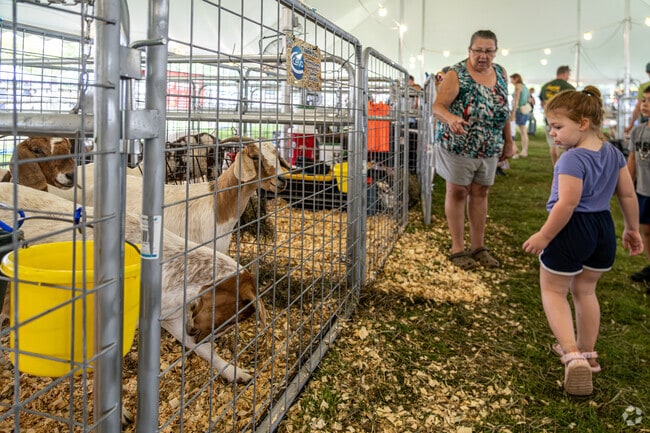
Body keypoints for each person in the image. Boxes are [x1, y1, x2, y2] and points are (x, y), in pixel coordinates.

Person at [522, 86, 643, 396]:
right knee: (586, 290)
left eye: (558, 126)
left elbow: (567, 203)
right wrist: (632, 228)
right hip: (603, 228)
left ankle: (571, 355)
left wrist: (544, 234)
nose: (552, 133)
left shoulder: (572, 159)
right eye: (550, 126)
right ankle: (587, 354)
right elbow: (627, 193)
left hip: (571, 229)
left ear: (583, 123)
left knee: (553, 290)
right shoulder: (613, 152)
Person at [432, 29, 514, 270]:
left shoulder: (501, 73)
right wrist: (451, 119)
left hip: (489, 147)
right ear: (469, 51)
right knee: (457, 191)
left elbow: (504, 109)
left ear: (495, 53)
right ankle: (458, 248)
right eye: (478, 50)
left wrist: (508, 141)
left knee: (481, 193)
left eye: (488, 51)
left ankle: (478, 247)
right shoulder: (456, 74)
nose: (483, 56)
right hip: (459, 144)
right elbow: (437, 107)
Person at [626, 86, 650, 290]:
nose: (645, 104)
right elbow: (632, 159)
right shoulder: (638, 131)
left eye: (649, 101)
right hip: (643, 190)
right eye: (644, 100)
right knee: (646, 230)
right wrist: (626, 184)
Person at [540, 66, 575, 165]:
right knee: (566, 146)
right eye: (568, 75)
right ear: (565, 73)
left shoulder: (545, 86)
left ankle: (556, 167)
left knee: (553, 145)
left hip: (549, 120)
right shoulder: (569, 88)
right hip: (565, 121)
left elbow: (542, 104)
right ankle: (565, 167)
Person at [624, 62, 650, 134]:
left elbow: (638, 107)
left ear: (647, 72)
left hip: (646, 120)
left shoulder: (643, 86)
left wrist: (631, 124)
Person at [509, 73, 531, 158]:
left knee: (512, 130)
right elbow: (528, 99)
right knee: (523, 131)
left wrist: (513, 112)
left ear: (516, 78)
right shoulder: (525, 87)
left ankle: (515, 151)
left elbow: (516, 99)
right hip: (525, 110)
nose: (511, 81)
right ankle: (524, 151)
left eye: (511, 79)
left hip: (518, 110)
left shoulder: (518, 86)